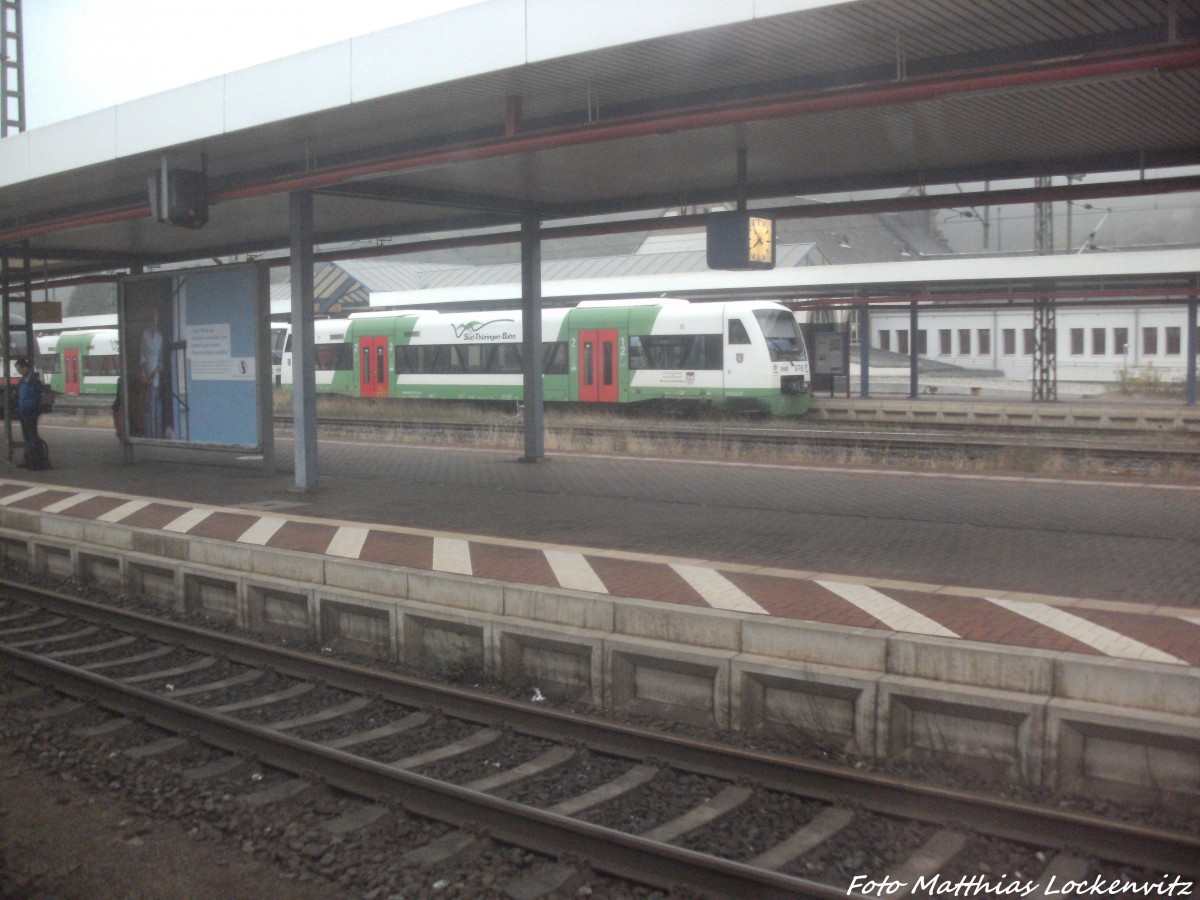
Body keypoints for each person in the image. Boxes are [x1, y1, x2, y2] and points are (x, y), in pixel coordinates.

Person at [15, 357, 48, 468]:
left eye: (19, 369)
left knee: (31, 435)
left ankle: (34, 460)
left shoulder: (32, 380)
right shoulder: (25, 380)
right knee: (28, 436)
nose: (18, 372)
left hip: (30, 411)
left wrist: (28, 408)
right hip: (25, 411)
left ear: (25, 367)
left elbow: (33, 397)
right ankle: (30, 458)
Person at [140, 308, 164, 437]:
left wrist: (156, 371)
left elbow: (161, 359)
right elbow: (142, 356)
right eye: (153, 321)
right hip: (146, 375)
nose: (155, 324)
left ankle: (158, 434)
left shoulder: (160, 337)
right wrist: (146, 373)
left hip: (156, 376)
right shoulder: (145, 335)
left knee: (157, 406)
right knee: (148, 407)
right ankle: (149, 435)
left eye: (156, 321)